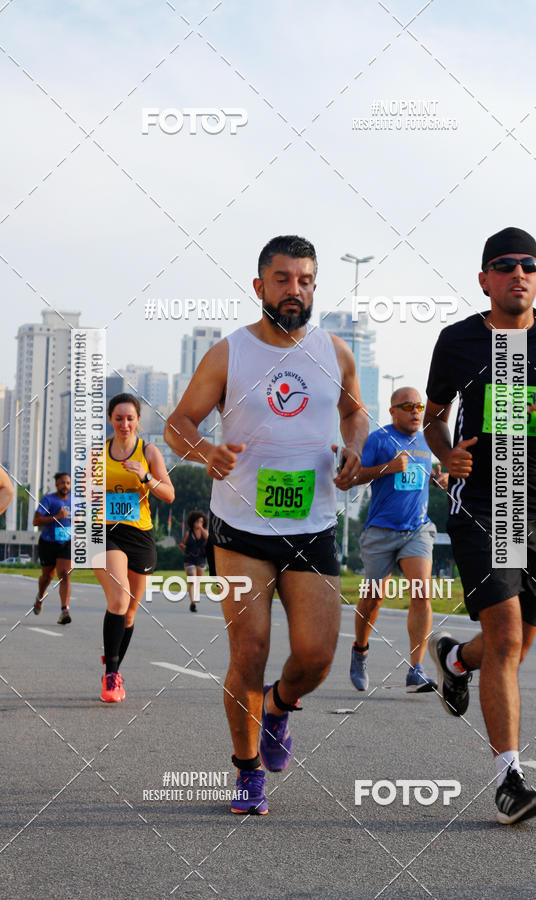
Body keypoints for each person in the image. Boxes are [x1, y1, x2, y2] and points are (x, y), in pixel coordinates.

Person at [165, 234, 369, 816]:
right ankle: (248, 769)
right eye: (282, 279)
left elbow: (354, 413)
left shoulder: (335, 352)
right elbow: (178, 423)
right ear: (260, 287)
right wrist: (207, 452)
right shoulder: (230, 354)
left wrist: (353, 449)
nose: (294, 290)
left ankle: (278, 706)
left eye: (305, 280)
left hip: (313, 526)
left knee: (315, 657)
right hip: (240, 530)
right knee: (248, 651)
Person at [424, 226, 536, 824]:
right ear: (484, 280)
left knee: (515, 647)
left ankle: (453, 662)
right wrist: (445, 454)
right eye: (503, 265)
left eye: (528, 264)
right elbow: (433, 417)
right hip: (483, 504)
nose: (516, 273)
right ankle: (509, 779)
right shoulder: (457, 341)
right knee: (504, 638)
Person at [350, 387, 448, 693]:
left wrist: (438, 478)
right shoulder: (379, 439)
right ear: (393, 411)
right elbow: (354, 476)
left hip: (417, 528)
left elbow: (424, 474)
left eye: (419, 406)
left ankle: (415, 669)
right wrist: (387, 468)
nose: (416, 411)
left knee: (422, 592)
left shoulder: (427, 439)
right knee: (373, 599)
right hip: (380, 530)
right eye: (408, 406)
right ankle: (360, 650)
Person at [94, 394, 174, 702]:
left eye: (130, 418)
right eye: (118, 418)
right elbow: (86, 496)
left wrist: (145, 477)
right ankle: (111, 678)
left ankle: (113, 665)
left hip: (140, 534)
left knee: (129, 614)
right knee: (119, 597)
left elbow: (169, 494)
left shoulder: (149, 452)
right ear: (110, 420)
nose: (124, 424)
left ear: (138, 420)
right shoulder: (98, 453)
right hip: (106, 532)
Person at [32, 472, 73, 624]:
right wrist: (57, 516)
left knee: (65, 574)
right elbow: (36, 521)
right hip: (48, 542)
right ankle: (39, 597)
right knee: (47, 577)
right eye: (62, 483)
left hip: (66, 542)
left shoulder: (75, 501)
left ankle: (64, 610)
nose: (65, 486)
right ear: (56, 484)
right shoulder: (48, 500)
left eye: (68, 483)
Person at [179, 510, 208, 612]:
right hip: (189, 558)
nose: (199, 523)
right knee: (192, 581)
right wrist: (182, 546)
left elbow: (208, 538)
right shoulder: (188, 533)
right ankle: (193, 603)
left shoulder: (205, 532)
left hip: (201, 559)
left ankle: (194, 599)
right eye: (197, 521)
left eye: (201, 521)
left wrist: (202, 528)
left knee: (197, 581)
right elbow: (183, 544)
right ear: (193, 522)